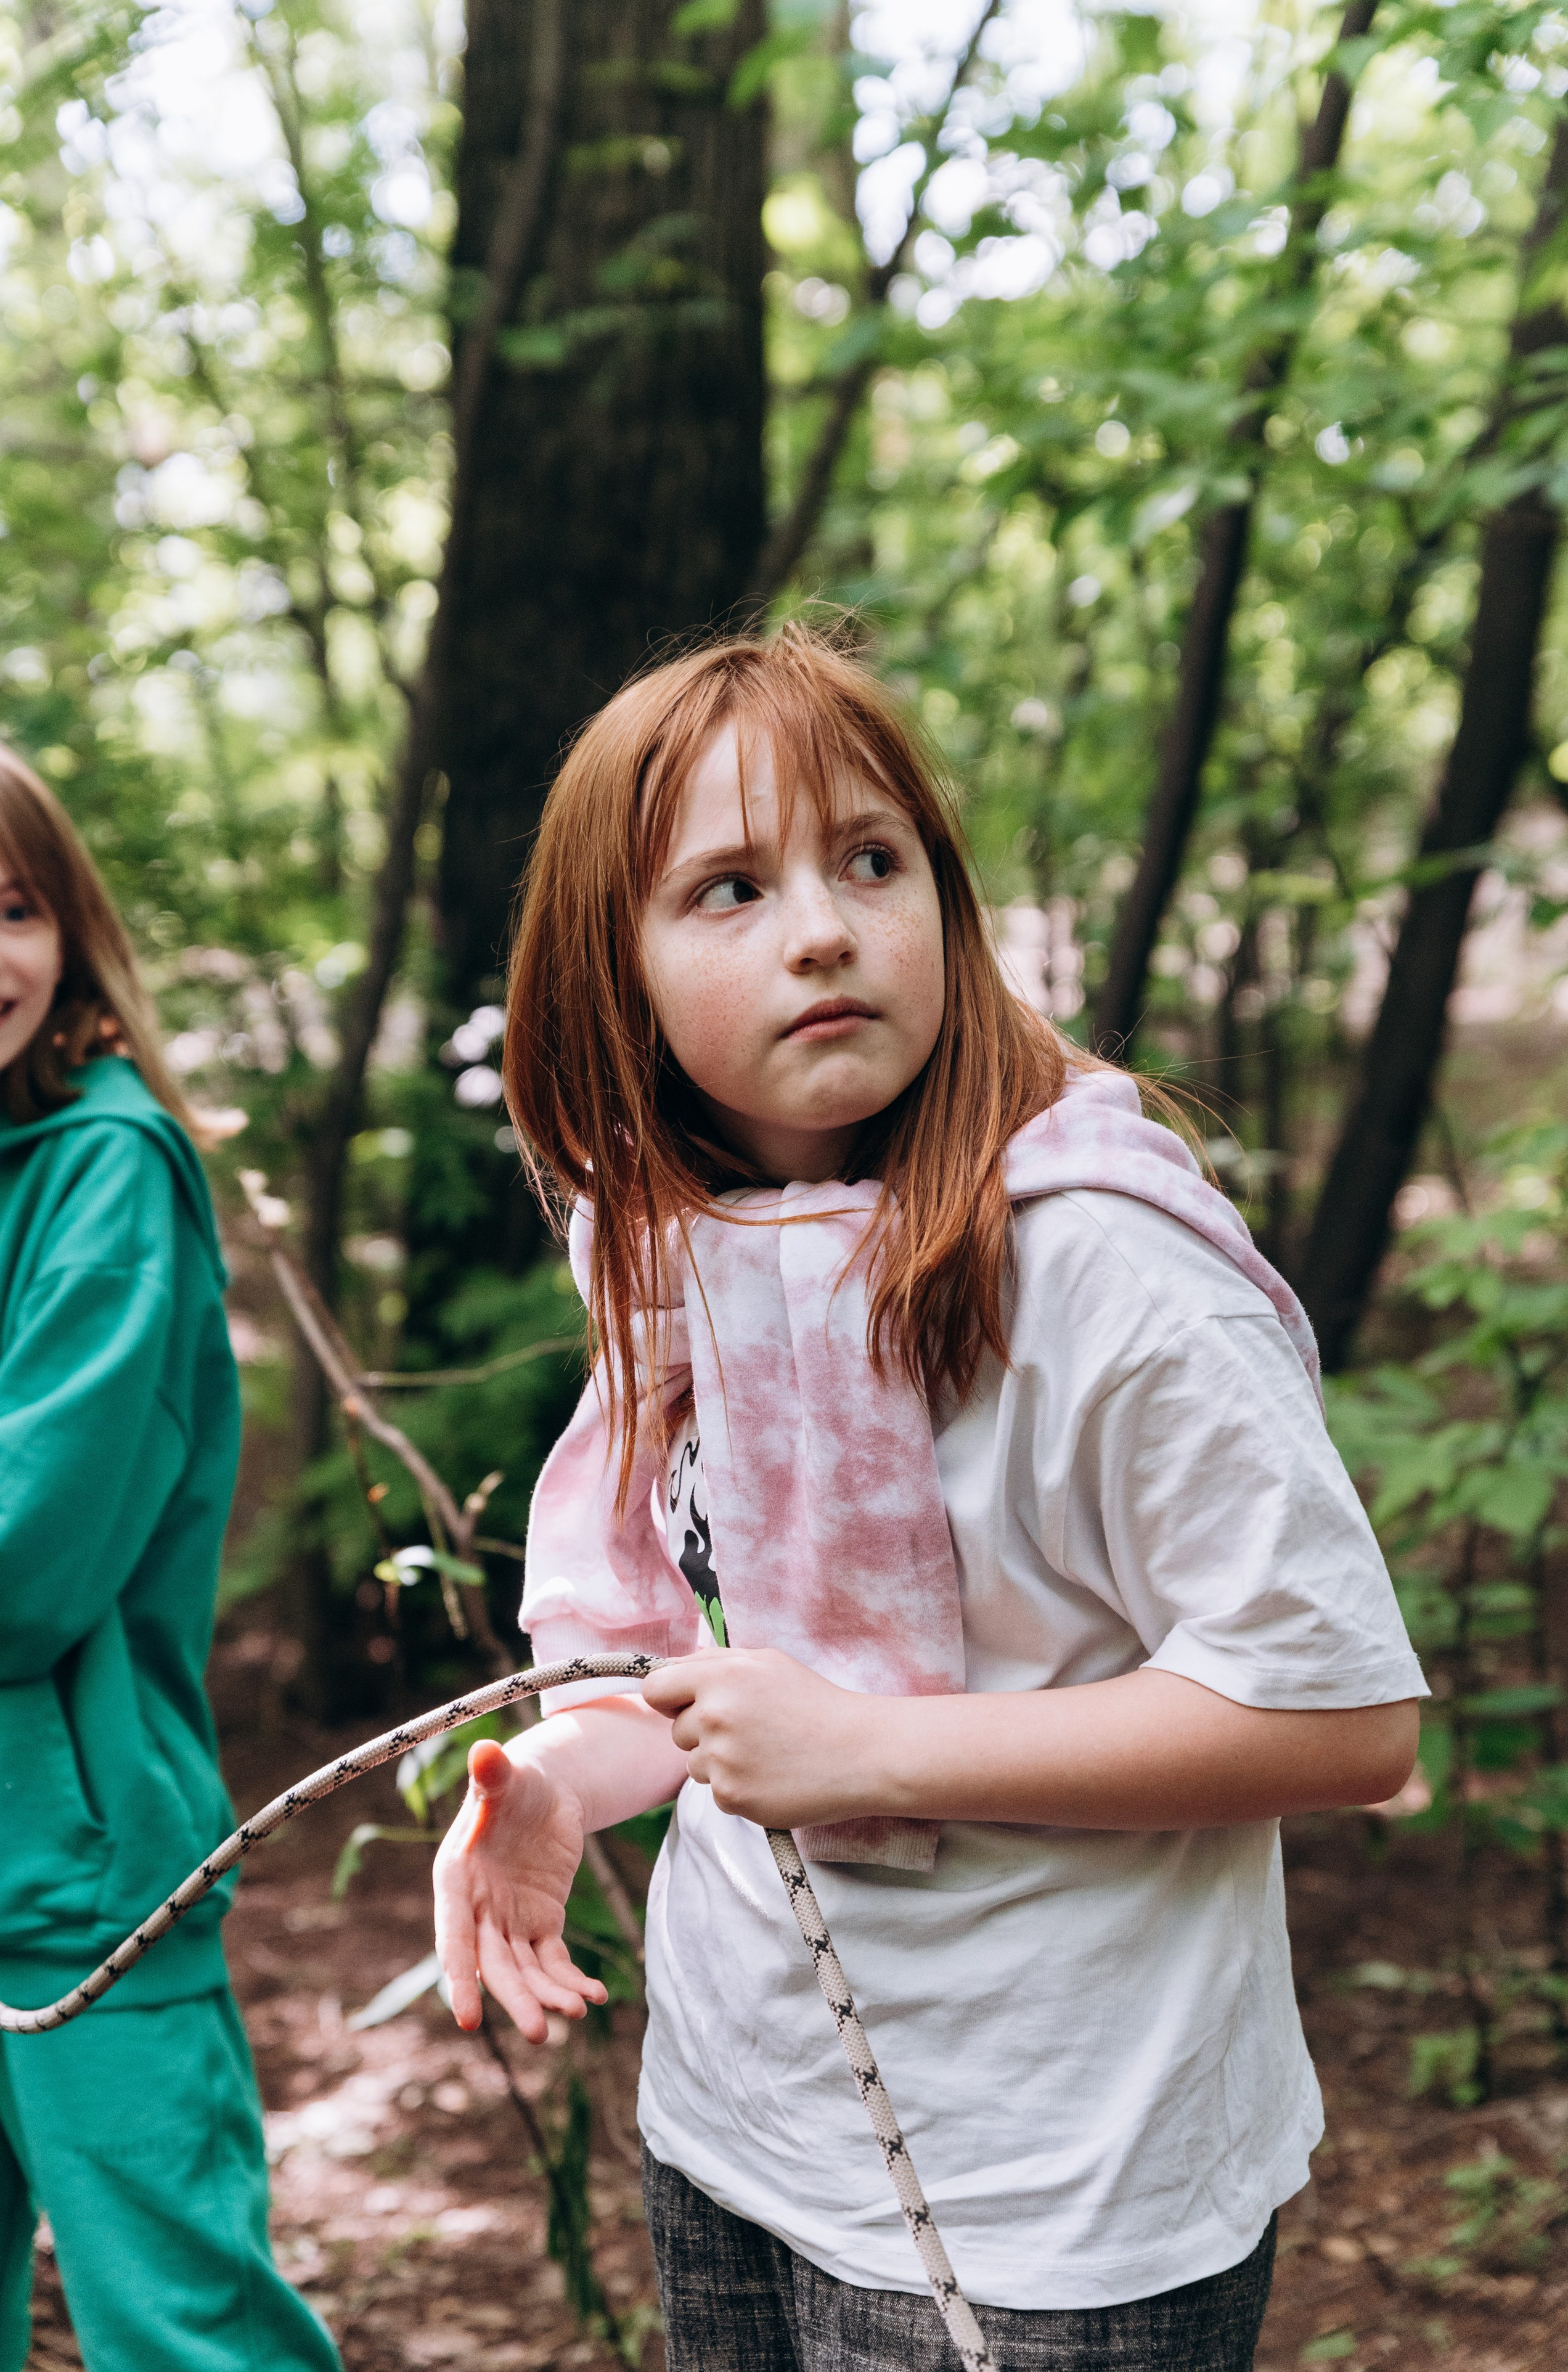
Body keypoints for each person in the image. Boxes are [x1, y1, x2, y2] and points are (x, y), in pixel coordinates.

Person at [432, 629, 1425, 2372]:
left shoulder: (1108, 1270)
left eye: (869, 861)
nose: (821, 927)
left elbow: (1344, 1722)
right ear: (617, 979)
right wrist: (568, 1788)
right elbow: (693, 1671)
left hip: (1062, 2194)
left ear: (947, 913)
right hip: (740, 2122)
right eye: (728, 888)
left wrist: (873, 1753)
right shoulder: (675, 1259)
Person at [0, 751, 340, 2372]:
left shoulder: (111, 1170)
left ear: (71, 931)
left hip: (83, 1881)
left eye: (11, 910)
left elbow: (28, 1563)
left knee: (188, 2336)